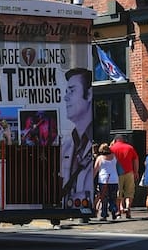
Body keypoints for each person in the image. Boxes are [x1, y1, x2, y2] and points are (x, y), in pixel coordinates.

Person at [59, 68, 94, 208]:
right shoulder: (66, 145)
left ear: (89, 94)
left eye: (72, 91)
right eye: (66, 91)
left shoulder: (93, 142)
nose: (65, 97)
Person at [110, 134, 140, 218]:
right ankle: (128, 208)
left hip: (116, 173)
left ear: (115, 140)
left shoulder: (112, 149)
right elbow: (136, 159)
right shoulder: (130, 147)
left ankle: (119, 210)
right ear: (123, 140)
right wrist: (136, 171)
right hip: (129, 172)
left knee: (118, 192)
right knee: (129, 192)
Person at [94, 143, 121, 220]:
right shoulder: (114, 156)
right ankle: (114, 211)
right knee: (113, 197)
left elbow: (95, 169)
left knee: (104, 198)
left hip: (103, 180)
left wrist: (92, 178)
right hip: (114, 179)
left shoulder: (100, 158)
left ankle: (104, 214)